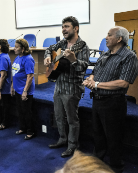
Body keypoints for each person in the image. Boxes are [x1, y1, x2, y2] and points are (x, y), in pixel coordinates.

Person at [82, 26, 138, 173]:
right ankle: (97, 164)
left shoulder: (129, 56)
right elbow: (94, 72)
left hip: (113, 103)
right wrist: (90, 79)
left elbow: (123, 82)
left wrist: (97, 84)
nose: (106, 37)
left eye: (109, 35)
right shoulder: (105, 54)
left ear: (119, 39)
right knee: (98, 135)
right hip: (97, 100)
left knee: (114, 139)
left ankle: (116, 167)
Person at [44, 16, 89, 157]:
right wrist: (47, 57)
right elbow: (49, 49)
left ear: (76, 28)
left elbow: (84, 67)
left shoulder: (82, 46)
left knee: (71, 119)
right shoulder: (62, 43)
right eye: (63, 26)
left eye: (67, 26)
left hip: (72, 87)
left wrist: (74, 60)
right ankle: (62, 139)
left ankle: (72, 145)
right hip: (59, 85)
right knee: (58, 116)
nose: (63, 29)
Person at [12, 38, 35, 140]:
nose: (14, 49)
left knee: (27, 111)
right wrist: (13, 86)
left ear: (23, 49)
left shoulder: (28, 59)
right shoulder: (18, 57)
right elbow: (15, 73)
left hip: (25, 90)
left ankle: (30, 131)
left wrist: (25, 91)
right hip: (17, 89)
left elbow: (30, 76)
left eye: (16, 47)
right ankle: (23, 128)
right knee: (20, 110)